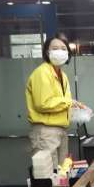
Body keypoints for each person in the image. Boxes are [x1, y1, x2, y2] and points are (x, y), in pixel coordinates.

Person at [26, 34, 77, 169]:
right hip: (45, 132)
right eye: (55, 48)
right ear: (47, 52)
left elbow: (60, 101)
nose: (60, 51)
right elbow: (42, 104)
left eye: (63, 48)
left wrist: (74, 107)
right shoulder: (42, 72)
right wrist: (68, 103)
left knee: (62, 173)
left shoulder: (62, 75)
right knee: (48, 175)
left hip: (60, 130)